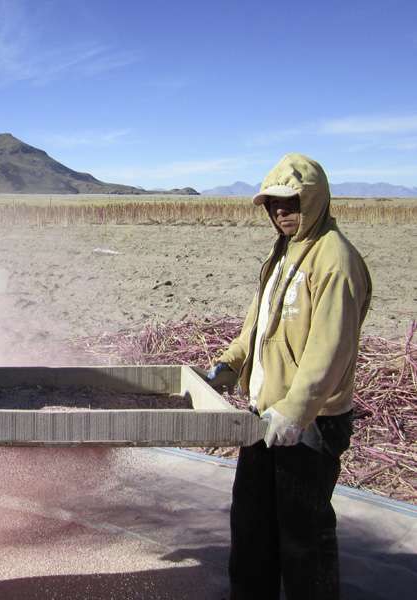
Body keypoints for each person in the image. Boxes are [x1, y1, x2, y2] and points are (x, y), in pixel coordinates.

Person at [205, 153, 371, 600]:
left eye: (291, 202)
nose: (281, 211)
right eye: (273, 204)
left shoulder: (334, 260)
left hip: (310, 425)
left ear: (313, 200)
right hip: (264, 417)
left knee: (303, 539)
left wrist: (296, 412)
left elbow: (331, 349)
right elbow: (257, 325)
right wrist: (230, 364)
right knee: (252, 528)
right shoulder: (282, 253)